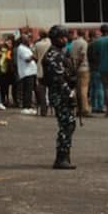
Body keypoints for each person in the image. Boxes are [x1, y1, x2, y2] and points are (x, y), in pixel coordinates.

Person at [42, 25, 78, 169]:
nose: (65, 40)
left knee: (69, 124)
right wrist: (70, 94)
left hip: (63, 93)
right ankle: (61, 158)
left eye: (65, 37)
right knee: (66, 124)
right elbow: (58, 79)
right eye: (61, 37)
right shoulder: (53, 55)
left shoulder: (59, 53)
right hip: (60, 95)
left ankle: (64, 156)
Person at [15, 32, 38, 114]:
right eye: (27, 38)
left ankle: (30, 106)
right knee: (27, 90)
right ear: (23, 40)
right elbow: (27, 59)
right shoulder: (21, 48)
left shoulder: (27, 48)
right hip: (26, 72)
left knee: (30, 90)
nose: (29, 39)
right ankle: (26, 107)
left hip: (32, 71)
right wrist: (33, 56)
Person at [69, 30, 90, 115]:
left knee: (77, 89)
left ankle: (78, 108)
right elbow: (82, 55)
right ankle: (84, 109)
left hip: (74, 68)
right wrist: (78, 65)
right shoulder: (84, 43)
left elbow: (70, 56)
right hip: (83, 67)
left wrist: (74, 67)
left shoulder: (73, 43)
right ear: (84, 34)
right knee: (84, 89)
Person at [33, 30, 52, 117]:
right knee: (52, 90)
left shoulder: (38, 44)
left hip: (41, 69)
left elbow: (35, 57)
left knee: (42, 91)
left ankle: (43, 110)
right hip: (51, 70)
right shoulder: (51, 43)